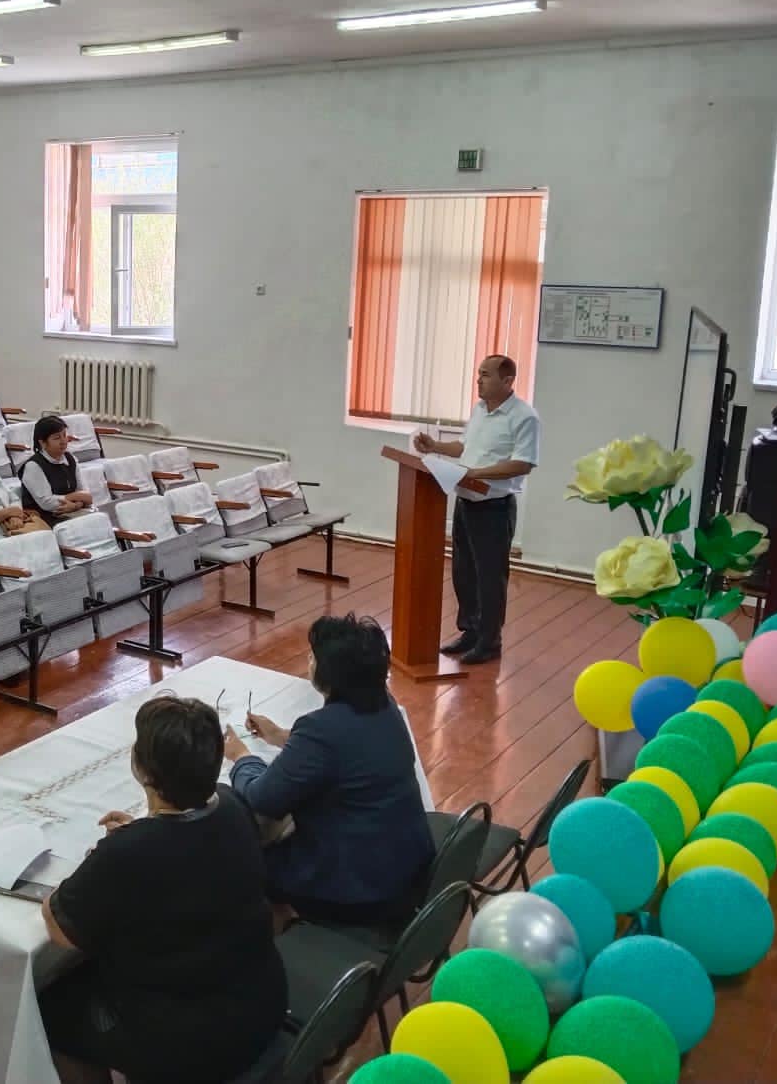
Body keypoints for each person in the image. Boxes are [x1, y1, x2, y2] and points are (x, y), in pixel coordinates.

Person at [38, 695, 287, 1084]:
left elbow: (59, 929)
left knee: (48, 1008)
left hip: (190, 1041)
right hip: (262, 1002)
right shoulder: (232, 805)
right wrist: (135, 835)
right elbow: (188, 857)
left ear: (141, 768)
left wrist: (115, 852)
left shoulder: (128, 852)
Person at [224, 613, 435, 927]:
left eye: (313, 657)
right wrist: (282, 736)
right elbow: (348, 751)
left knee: (237, 857)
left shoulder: (321, 731)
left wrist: (241, 757)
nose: (308, 661)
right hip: (408, 867)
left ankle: (280, 937)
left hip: (358, 889)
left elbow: (262, 798)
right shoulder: (385, 704)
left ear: (330, 674)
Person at [413, 354, 540, 664]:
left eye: (485, 374)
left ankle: (489, 641)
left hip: (494, 507)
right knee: (464, 573)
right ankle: (469, 631)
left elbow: (523, 463)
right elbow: (465, 447)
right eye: (478, 373)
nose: (478, 380)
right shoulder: (480, 409)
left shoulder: (525, 417)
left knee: (490, 577)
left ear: (507, 381)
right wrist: (435, 447)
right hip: (465, 500)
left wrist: (476, 474)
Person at [18, 415, 93, 525]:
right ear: (43, 443)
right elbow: (46, 503)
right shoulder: (33, 466)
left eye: (64, 435)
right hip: (45, 517)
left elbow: (85, 493)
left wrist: (76, 505)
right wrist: (75, 497)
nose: (63, 441)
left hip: (73, 511)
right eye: (57, 438)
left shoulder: (70, 458)